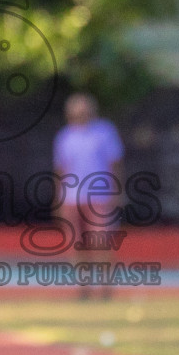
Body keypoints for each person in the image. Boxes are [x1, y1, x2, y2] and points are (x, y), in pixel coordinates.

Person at [53, 92, 125, 297]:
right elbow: (61, 170)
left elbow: (115, 164)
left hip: (99, 197)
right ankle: (83, 287)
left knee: (101, 241)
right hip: (72, 197)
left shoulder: (104, 132)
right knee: (77, 243)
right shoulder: (65, 136)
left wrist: (117, 191)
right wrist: (58, 198)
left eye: (84, 110)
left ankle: (105, 286)